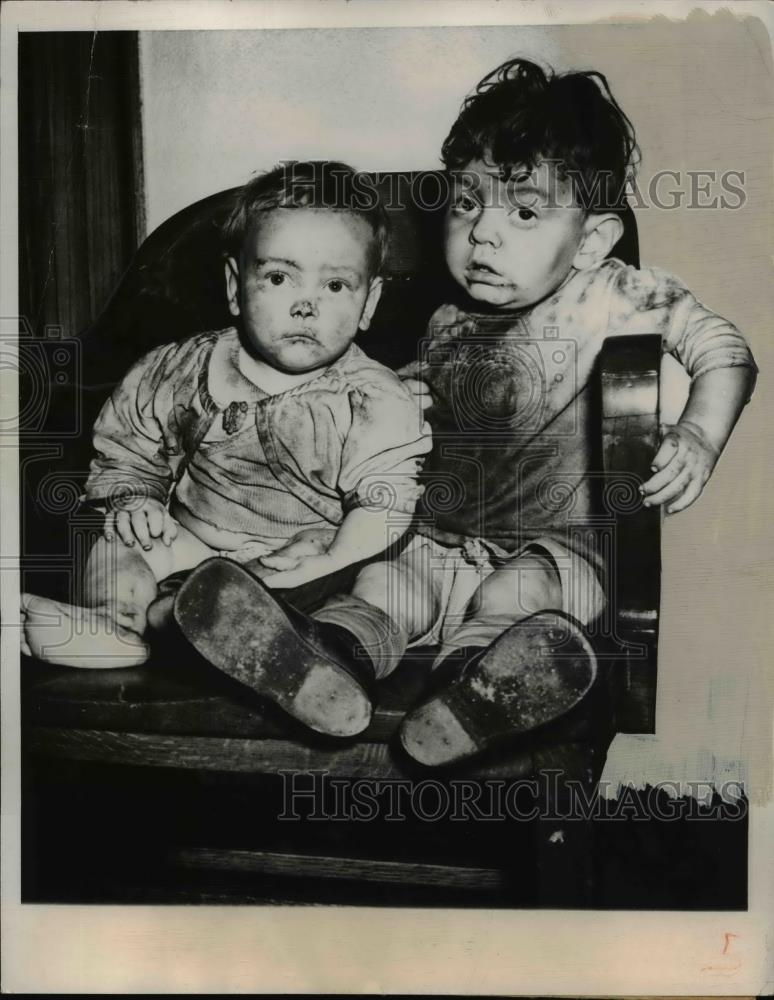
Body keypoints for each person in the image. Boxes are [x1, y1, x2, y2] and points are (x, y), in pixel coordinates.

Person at [175, 59, 758, 765]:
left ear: (593, 240)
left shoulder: (612, 294)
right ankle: (325, 661)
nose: (483, 233)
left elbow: (723, 348)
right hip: (440, 541)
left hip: (557, 553)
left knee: (517, 591)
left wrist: (698, 432)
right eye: (466, 202)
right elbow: (410, 416)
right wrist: (402, 402)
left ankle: (477, 693)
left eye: (522, 212)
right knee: (386, 583)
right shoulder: (448, 322)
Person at [20, 161, 432, 737]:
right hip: (195, 547)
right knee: (118, 540)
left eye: (335, 285)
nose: (306, 305)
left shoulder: (374, 399)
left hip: (306, 571)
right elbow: (127, 447)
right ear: (236, 286)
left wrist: (333, 557)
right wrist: (134, 498)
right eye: (281, 278)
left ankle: (310, 657)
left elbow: (385, 502)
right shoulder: (177, 368)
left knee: (393, 579)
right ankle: (116, 622)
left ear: (368, 303)